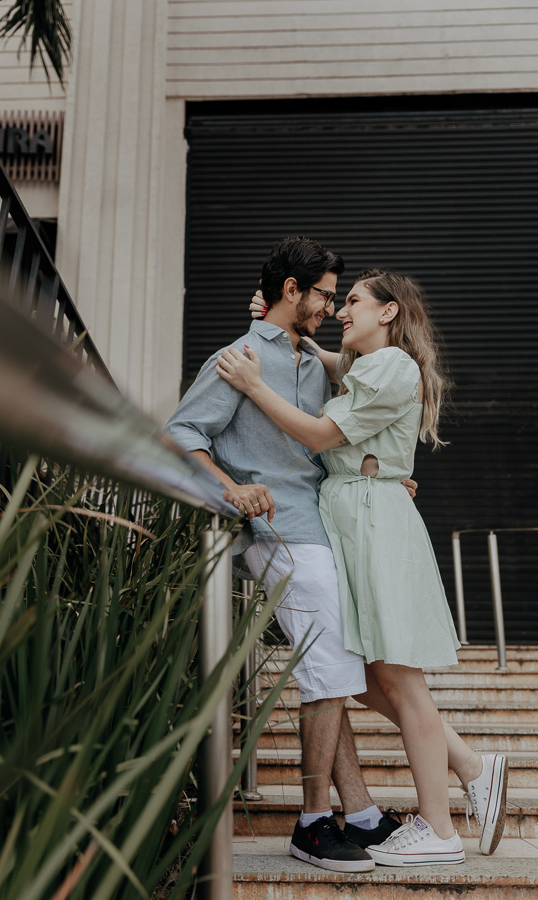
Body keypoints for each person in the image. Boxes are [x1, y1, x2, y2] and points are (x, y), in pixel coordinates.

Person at [217, 269, 508, 866]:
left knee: (398, 679)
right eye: (338, 300)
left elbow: (321, 435)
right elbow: (317, 356)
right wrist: (277, 318)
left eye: (352, 301)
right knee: (364, 674)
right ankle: (471, 765)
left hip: (372, 525)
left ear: (389, 311)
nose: (341, 310)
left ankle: (439, 828)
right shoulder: (362, 366)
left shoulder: (393, 366)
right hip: (352, 521)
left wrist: (253, 384)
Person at [167, 237, 412, 874]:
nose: (333, 307)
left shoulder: (311, 360)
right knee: (332, 662)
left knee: (333, 667)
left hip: (321, 522)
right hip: (278, 531)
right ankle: (311, 822)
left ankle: (359, 812)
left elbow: (344, 430)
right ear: (292, 290)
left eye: (339, 298)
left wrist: (384, 476)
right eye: (325, 295)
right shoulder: (239, 358)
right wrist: (230, 487)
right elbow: (180, 433)